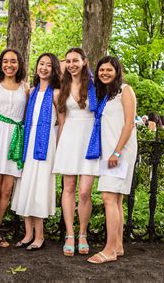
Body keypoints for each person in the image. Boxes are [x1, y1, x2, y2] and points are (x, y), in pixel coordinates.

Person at [87, 56, 137, 264]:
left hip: (120, 151)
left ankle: (109, 250)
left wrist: (116, 153)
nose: (104, 73)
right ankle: (118, 246)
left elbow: (129, 124)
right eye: (101, 70)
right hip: (110, 152)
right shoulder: (106, 96)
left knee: (108, 197)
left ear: (117, 71)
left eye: (109, 69)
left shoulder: (126, 90)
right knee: (115, 200)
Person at [11, 53, 61, 250]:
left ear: (54, 69)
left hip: (46, 143)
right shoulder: (31, 92)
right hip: (29, 141)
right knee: (25, 185)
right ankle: (28, 234)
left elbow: (62, 121)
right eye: (41, 64)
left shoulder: (57, 93)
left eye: (49, 65)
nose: (44, 68)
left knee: (39, 186)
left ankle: (39, 236)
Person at [53, 47, 99, 257]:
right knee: (69, 187)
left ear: (84, 62)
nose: (71, 64)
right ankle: (70, 234)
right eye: (68, 61)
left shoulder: (94, 86)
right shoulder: (62, 87)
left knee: (84, 191)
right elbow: (61, 120)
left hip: (89, 140)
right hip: (69, 140)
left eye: (75, 60)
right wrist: (59, 146)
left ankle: (83, 233)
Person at [0, 48, 29, 251]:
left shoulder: (25, 88)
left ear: (19, 64)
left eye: (13, 61)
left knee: (6, 189)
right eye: (5, 61)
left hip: (16, 136)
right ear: (0, 64)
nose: (9, 65)